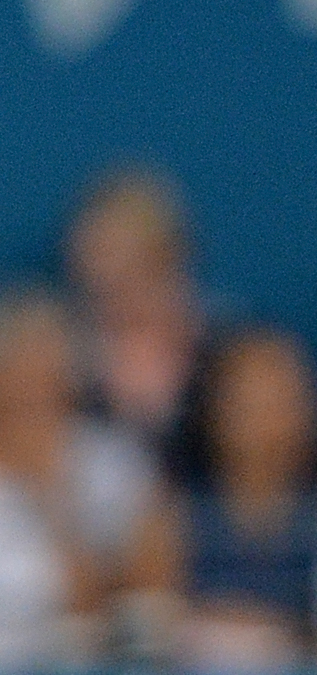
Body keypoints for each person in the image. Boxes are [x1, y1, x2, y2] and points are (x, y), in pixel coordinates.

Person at [0, 290, 175, 675]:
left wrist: (53, 499)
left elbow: (140, 603)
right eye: (18, 375)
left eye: (47, 378)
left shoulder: (113, 464)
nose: (33, 394)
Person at [176, 328, 317, 675]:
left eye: (282, 401)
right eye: (251, 404)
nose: (268, 425)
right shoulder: (173, 525)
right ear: (213, 412)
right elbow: (154, 624)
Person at [60, 166, 214, 472]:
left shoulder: (221, 350)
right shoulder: (62, 360)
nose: (105, 275)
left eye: (119, 254)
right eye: (95, 255)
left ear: (165, 256)